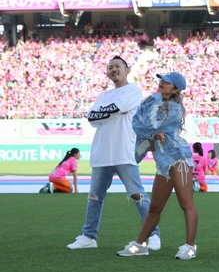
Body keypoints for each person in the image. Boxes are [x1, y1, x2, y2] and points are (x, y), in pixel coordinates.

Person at [67, 56, 160, 250]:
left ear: (127, 70)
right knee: (94, 196)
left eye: (118, 66)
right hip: (102, 153)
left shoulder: (133, 90)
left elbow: (118, 107)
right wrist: (113, 112)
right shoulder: (103, 96)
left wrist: (109, 112)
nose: (114, 69)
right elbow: (91, 117)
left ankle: (153, 234)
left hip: (124, 152)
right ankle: (89, 236)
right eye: (110, 67)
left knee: (136, 194)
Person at [117, 72, 197, 259]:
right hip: (162, 160)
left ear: (175, 89)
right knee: (154, 208)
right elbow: (137, 124)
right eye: (161, 80)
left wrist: (152, 130)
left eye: (167, 82)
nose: (161, 83)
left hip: (178, 157)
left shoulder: (174, 108)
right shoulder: (153, 101)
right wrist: (152, 133)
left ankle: (190, 246)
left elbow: (151, 125)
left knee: (186, 203)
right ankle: (140, 245)